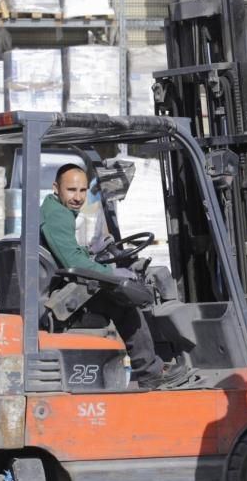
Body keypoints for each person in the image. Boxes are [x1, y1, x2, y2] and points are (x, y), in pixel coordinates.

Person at [40, 163, 189, 390]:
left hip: (61, 286)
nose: (78, 197)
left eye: (82, 191)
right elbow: (74, 262)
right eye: (71, 190)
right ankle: (151, 371)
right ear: (56, 188)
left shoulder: (63, 211)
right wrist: (114, 276)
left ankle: (150, 368)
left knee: (120, 293)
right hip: (61, 297)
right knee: (124, 303)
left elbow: (80, 250)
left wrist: (107, 257)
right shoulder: (57, 216)